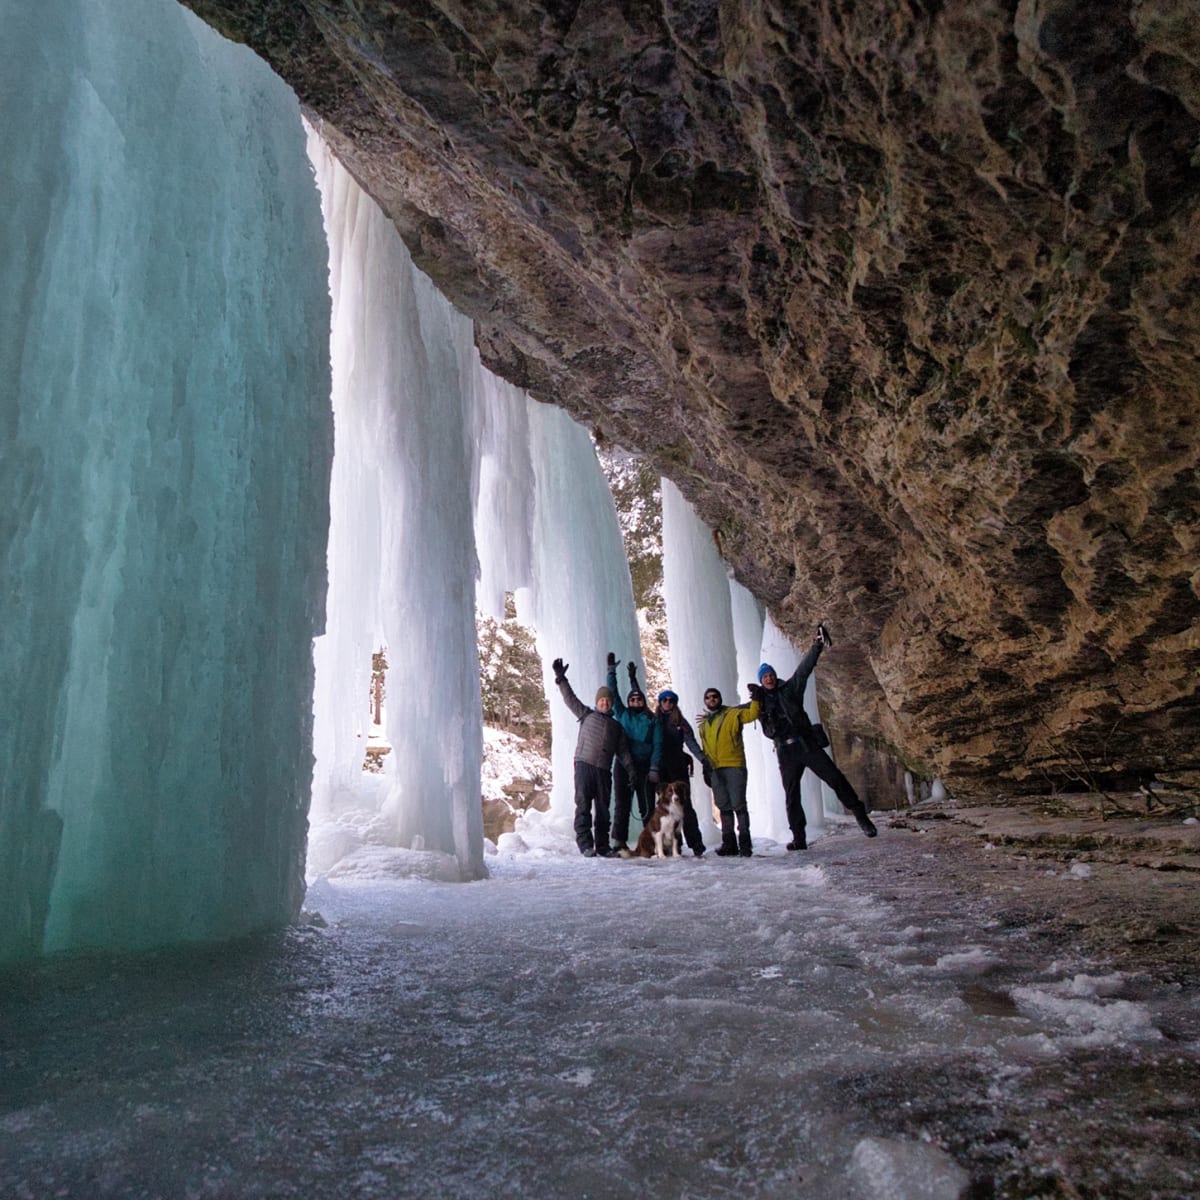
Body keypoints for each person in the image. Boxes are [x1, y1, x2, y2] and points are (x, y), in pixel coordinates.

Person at [748, 622, 878, 849]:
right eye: (764, 676)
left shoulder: (790, 689)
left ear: (774, 676)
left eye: (770, 675)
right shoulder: (759, 702)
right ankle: (798, 838)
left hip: (806, 745)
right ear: (761, 680)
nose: (768, 678)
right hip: (785, 752)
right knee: (791, 796)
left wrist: (817, 646)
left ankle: (861, 816)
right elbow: (743, 713)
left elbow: (804, 670)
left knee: (835, 778)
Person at [552, 656, 637, 857]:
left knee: (603, 810)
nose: (605, 703)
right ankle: (585, 844)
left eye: (608, 700)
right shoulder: (586, 714)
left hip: (603, 770)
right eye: (602, 700)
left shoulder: (617, 727)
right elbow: (570, 699)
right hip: (584, 765)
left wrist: (632, 770)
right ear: (597, 702)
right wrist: (561, 679)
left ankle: (603, 846)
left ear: (611, 704)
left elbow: (623, 752)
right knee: (583, 805)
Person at [606, 652, 661, 852]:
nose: (636, 702)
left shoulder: (652, 720)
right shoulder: (623, 714)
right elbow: (613, 694)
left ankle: (650, 842)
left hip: (645, 767)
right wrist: (611, 672)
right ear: (629, 703)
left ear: (643, 702)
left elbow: (657, 745)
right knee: (622, 804)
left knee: (646, 806)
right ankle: (618, 842)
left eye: (639, 700)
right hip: (623, 765)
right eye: (633, 700)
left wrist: (654, 767)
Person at [697, 686, 760, 856]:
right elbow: (706, 748)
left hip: (734, 764)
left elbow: (752, 715)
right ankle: (729, 843)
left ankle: (745, 844)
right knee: (723, 805)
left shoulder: (733, 714)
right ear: (705, 701)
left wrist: (756, 698)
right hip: (715, 768)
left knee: (738, 804)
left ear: (720, 698)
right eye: (708, 697)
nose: (712, 700)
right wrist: (706, 768)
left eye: (715, 697)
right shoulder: (703, 724)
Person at [647, 684, 709, 857]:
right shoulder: (654, 720)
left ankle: (696, 843)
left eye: (671, 701)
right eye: (665, 700)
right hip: (661, 769)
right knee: (666, 809)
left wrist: (702, 758)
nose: (668, 703)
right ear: (660, 703)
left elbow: (691, 742)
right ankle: (675, 845)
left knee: (685, 807)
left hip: (678, 768)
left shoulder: (680, 722)